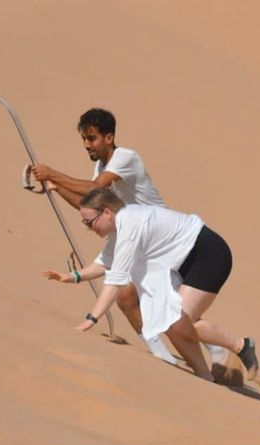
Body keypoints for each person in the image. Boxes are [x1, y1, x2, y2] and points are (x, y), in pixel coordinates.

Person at [43, 187, 259, 382]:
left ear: (107, 212)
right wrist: (72, 277)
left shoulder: (130, 224)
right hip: (183, 262)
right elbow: (104, 263)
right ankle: (207, 375)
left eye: (90, 222)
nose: (89, 228)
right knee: (170, 322)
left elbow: (116, 279)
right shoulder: (120, 229)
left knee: (174, 320)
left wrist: (90, 320)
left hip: (209, 254)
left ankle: (239, 346)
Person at [29, 108, 178, 364]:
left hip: (159, 238)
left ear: (109, 138)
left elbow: (96, 188)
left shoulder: (125, 157)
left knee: (174, 305)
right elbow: (88, 203)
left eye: (92, 138)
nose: (87, 145)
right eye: (84, 140)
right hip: (133, 237)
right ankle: (163, 357)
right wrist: (56, 187)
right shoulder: (101, 165)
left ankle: (221, 350)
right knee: (126, 295)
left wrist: (53, 173)